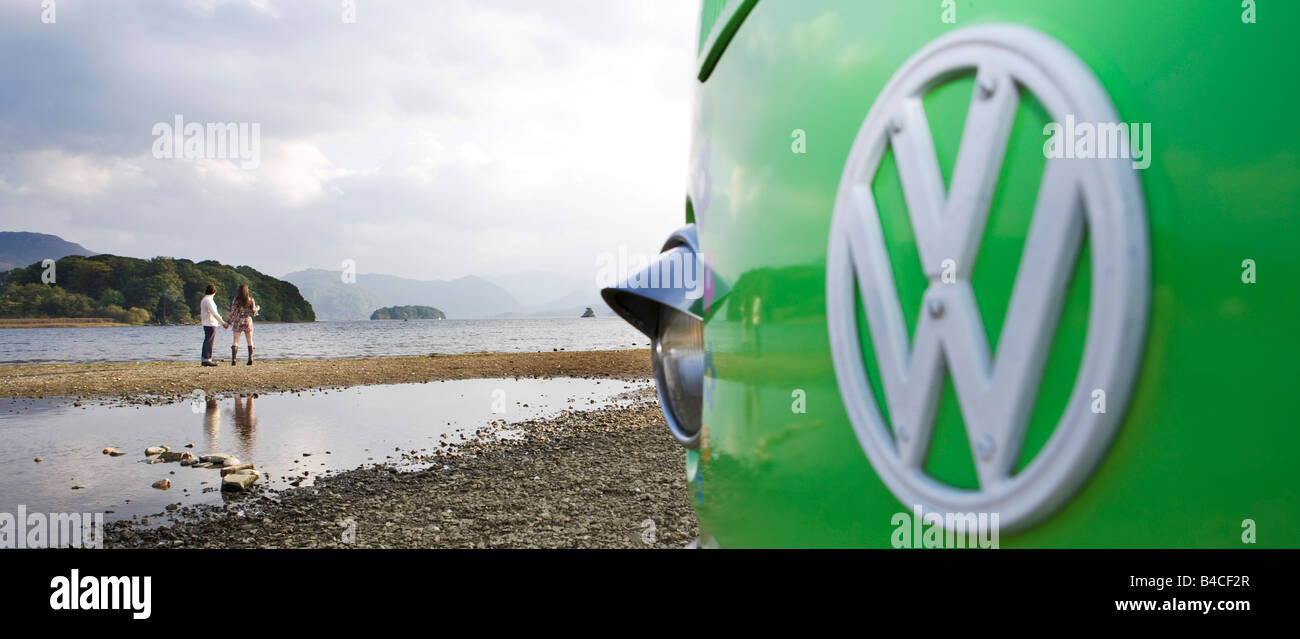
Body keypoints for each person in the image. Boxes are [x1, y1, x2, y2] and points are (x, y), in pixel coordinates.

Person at [228, 284, 259, 365]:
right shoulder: (251, 300)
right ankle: (250, 359)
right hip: (247, 320)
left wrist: (229, 322)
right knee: (250, 341)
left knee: (235, 341)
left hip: (238, 320)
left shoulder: (236, 300)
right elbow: (253, 313)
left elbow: (233, 312)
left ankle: (234, 359)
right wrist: (257, 308)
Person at [199, 284, 225, 367]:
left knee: (207, 340)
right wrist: (222, 322)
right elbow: (214, 313)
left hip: (206, 322)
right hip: (210, 323)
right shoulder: (209, 300)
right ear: (214, 291)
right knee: (209, 341)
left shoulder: (204, 299)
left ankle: (205, 359)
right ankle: (207, 359)